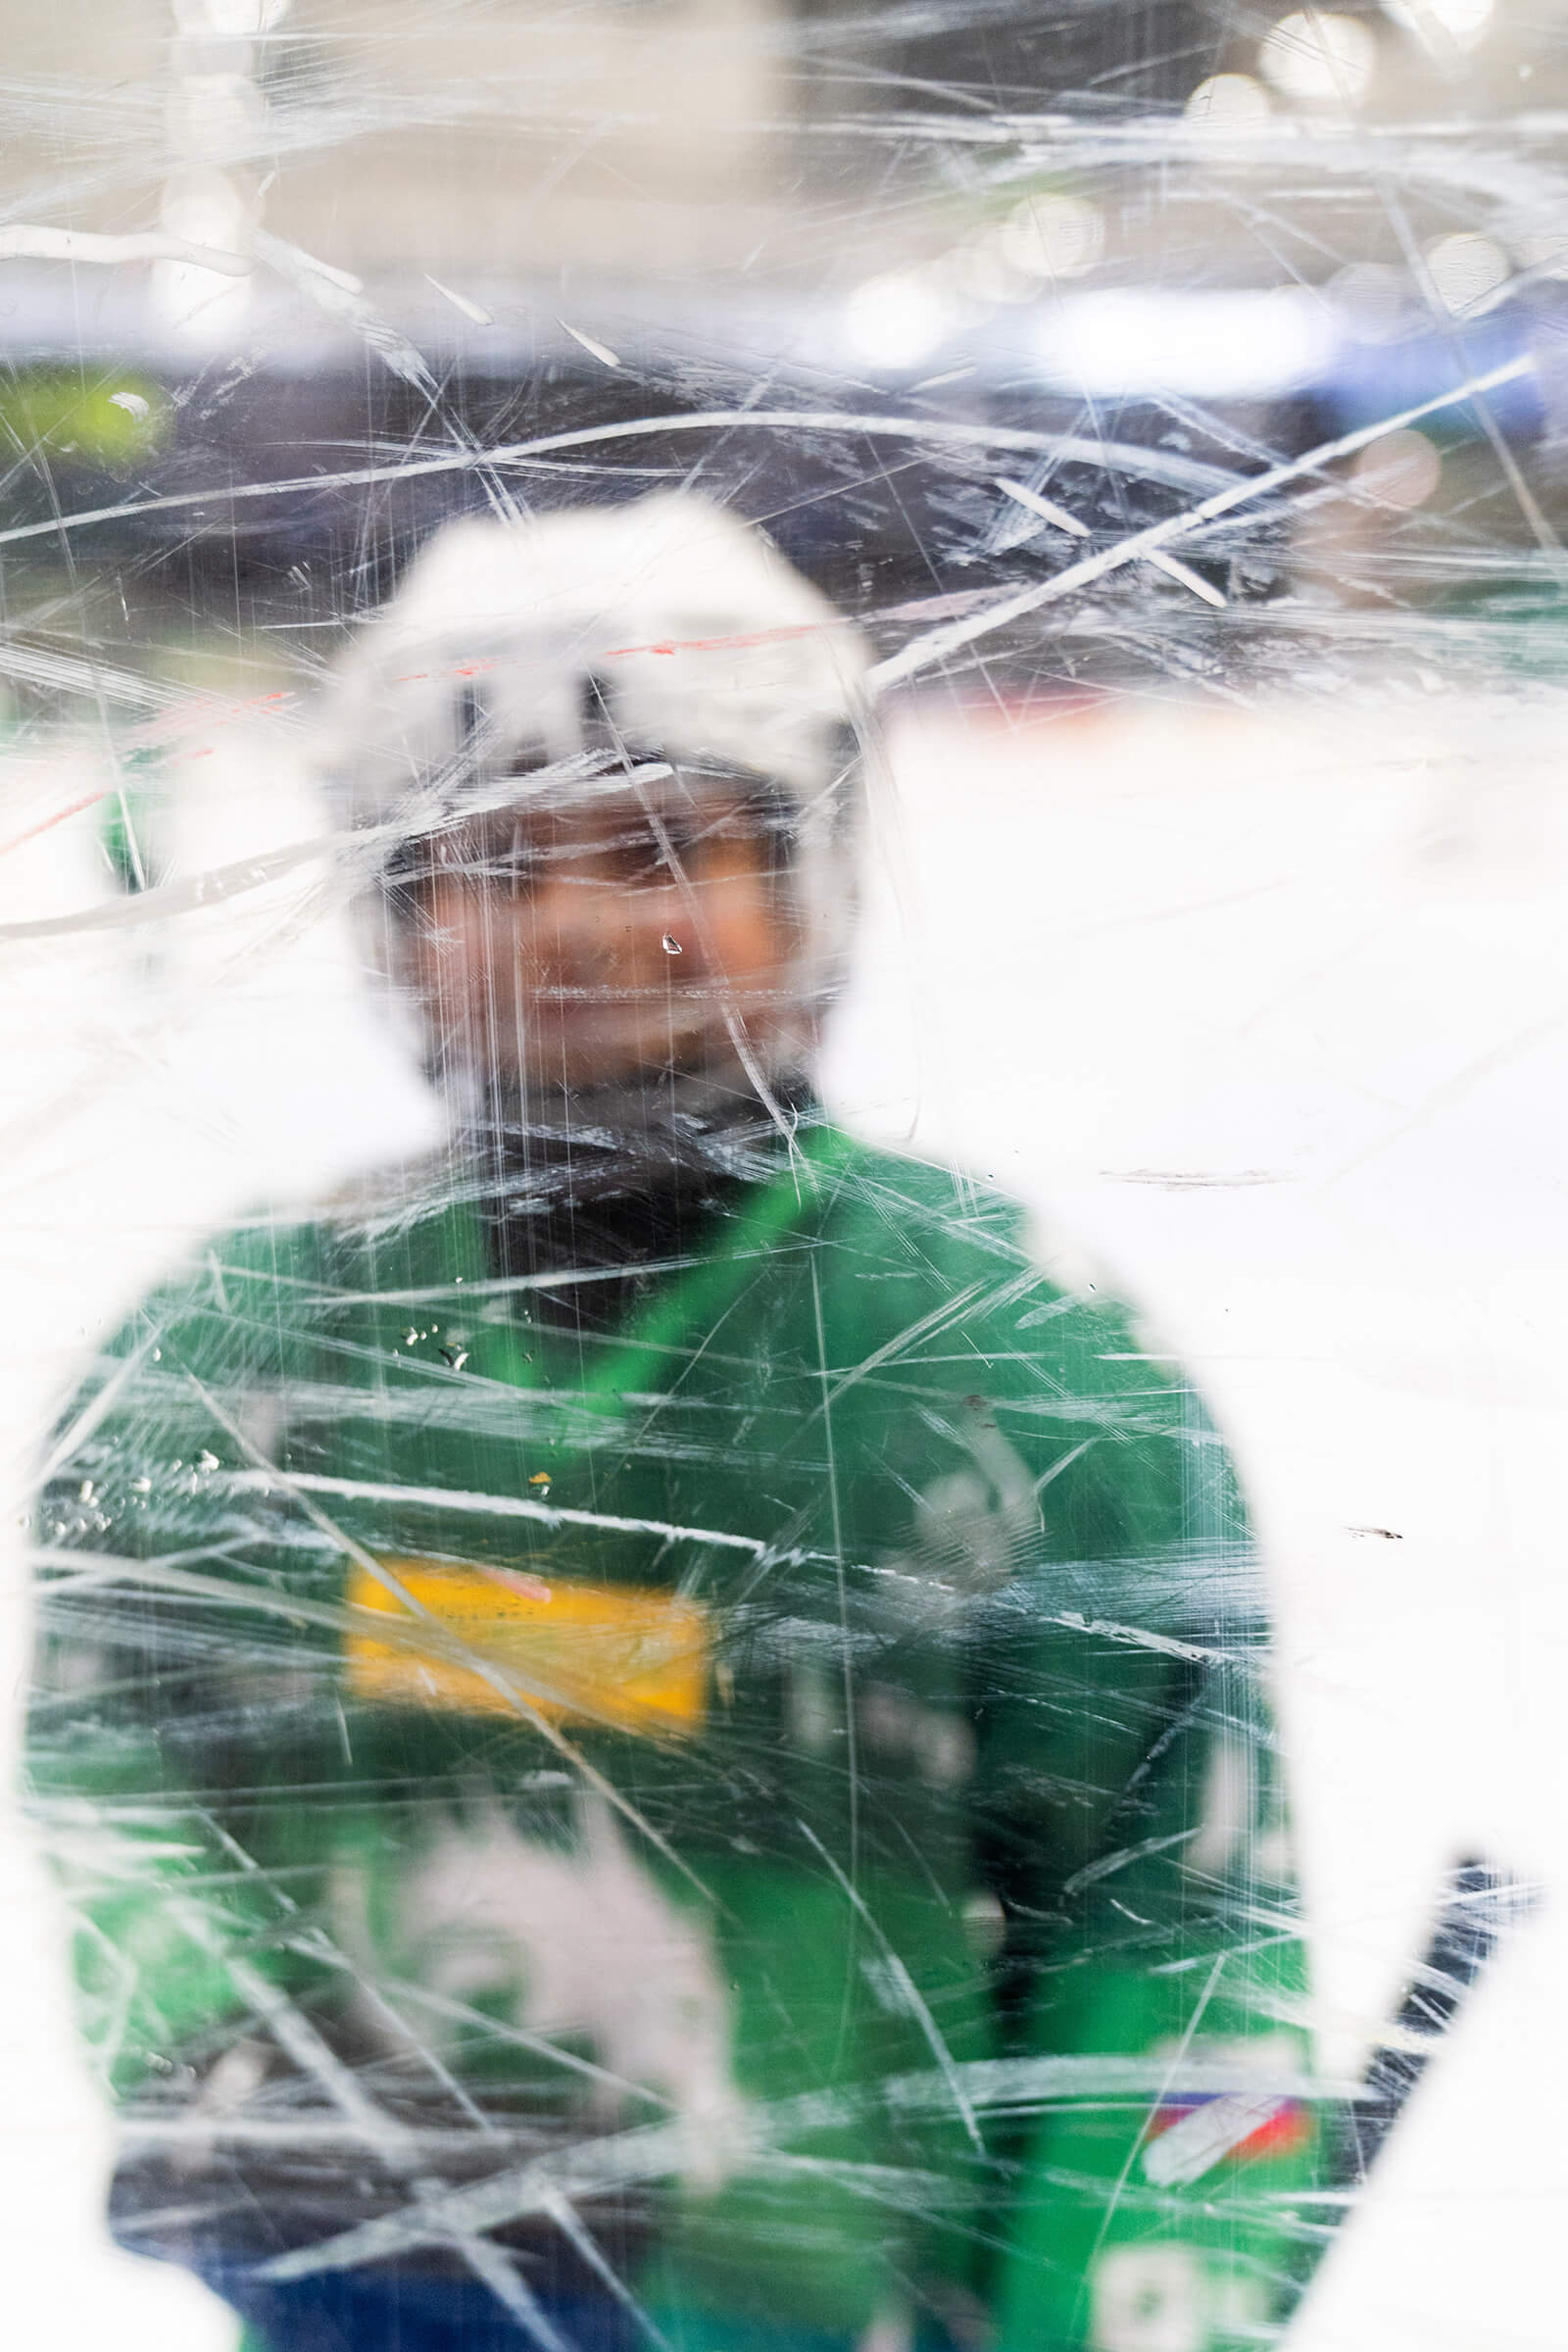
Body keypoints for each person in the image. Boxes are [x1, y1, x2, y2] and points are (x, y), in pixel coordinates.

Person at [25, 493, 1324, 2352]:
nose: (576, 924)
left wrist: (1129, 2308)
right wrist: (221, 2046)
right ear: (394, 920)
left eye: (660, 848)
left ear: (813, 875)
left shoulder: (1015, 1367)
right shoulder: (235, 1359)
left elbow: (1179, 1946)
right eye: (491, 863)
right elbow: (115, 1771)